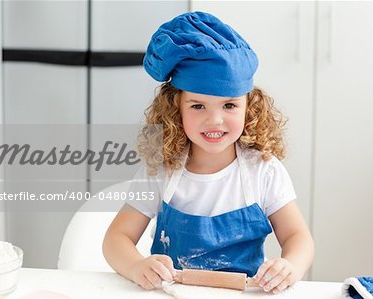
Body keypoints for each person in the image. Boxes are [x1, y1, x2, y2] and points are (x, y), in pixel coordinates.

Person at [103, 11, 314, 295]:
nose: (215, 120)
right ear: (175, 110)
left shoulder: (263, 170)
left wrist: (291, 266)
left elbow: (298, 237)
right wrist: (136, 266)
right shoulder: (162, 170)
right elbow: (117, 238)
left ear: (248, 108)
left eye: (229, 106)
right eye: (198, 106)